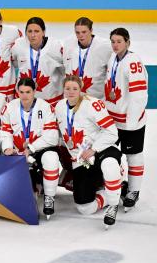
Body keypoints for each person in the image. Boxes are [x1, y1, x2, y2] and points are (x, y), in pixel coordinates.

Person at [55, 75, 122, 229]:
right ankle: (113, 192)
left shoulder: (93, 104)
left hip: (102, 150)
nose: (71, 92)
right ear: (63, 89)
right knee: (84, 208)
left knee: (110, 164)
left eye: (75, 88)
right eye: (67, 88)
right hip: (82, 159)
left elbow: (112, 133)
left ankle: (113, 204)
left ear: (81, 90)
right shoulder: (59, 107)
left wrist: (94, 149)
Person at [0, 78, 60, 218]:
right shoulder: (8, 108)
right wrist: (8, 147)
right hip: (17, 150)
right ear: (17, 92)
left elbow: (52, 136)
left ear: (34, 91)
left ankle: (49, 198)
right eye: (21, 92)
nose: (25, 95)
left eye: (28, 92)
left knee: (51, 158)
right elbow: (5, 131)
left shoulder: (45, 107)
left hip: (39, 149)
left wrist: (32, 148)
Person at [104, 28, 147, 211]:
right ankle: (117, 183)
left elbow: (139, 95)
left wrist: (131, 122)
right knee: (111, 155)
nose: (115, 45)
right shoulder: (112, 58)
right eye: (113, 41)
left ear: (128, 42)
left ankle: (134, 190)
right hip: (113, 119)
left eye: (119, 41)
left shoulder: (133, 62)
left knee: (133, 154)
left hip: (131, 121)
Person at [12, 17, 64, 106]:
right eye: (29, 31)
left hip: (50, 101)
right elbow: (14, 63)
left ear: (43, 32)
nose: (33, 35)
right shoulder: (18, 45)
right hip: (23, 100)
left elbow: (65, 70)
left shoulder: (55, 47)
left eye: (36, 31)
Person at [62, 17, 112, 99]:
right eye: (77, 32)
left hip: (95, 99)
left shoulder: (105, 46)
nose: (80, 35)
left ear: (91, 30)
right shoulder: (69, 43)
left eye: (84, 32)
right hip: (72, 97)